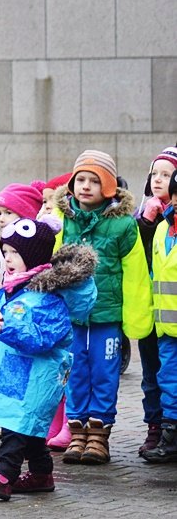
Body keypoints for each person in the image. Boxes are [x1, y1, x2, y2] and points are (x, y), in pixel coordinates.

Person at [0, 217, 97, 500]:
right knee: (30, 428)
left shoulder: (49, 296)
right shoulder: (15, 287)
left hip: (38, 376)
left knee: (15, 426)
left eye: (15, 253)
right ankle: (40, 474)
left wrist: (5, 326)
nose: (8, 259)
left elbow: (40, 339)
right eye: (6, 252)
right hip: (18, 375)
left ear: (33, 256)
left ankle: (2, 475)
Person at [52, 150, 153, 464]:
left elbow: (135, 272)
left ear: (108, 186)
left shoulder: (123, 226)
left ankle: (99, 434)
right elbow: (52, 264)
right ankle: (77, 431)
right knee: (76, 373)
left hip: (107, 317)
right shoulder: (64, 220)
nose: (85, 186)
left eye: (94, 181)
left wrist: (135, 316)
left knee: (105, 374)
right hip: (74, 318)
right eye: (80, 179)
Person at [135, 147, 177, 455]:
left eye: (167, 175)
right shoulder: (155, 224)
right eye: (155, 174)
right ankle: (160, 430)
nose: (159, 180)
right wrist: (147, 224)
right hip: (157, 318)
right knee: (158, 377)